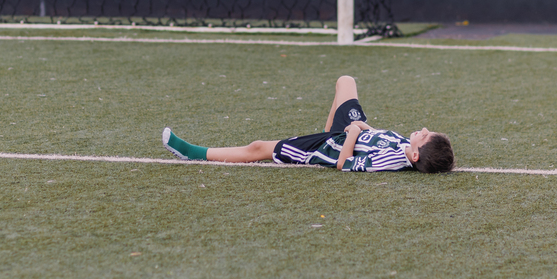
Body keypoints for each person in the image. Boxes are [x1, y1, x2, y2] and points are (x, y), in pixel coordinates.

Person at [162, 75, 455, 173]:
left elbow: (344, 164)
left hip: (331, 148)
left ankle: (194, 153)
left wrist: (352, 132)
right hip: (348, 133)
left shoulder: (390, 161)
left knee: (259, 148)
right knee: (346, 81)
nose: (423, 130)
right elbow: (377, 138)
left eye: (425, 136)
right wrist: (363, 128)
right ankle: (328, 132)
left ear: (415, 155)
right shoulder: (406, 148)